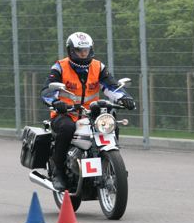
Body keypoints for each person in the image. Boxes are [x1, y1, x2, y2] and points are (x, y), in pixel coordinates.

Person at [41, 31, 136, 191]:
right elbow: (47, 90)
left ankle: (111, 163)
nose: (83, 53)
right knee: (67, 129)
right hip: (66, 114)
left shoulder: (98, 66)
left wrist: (124, 98)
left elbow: (111, 86)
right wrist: (56, 102)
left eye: (86, 50)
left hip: (91, 114)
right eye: (79, 50)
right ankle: (58, 170)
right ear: (71, 50)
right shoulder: (60, 67)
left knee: (111, 124)